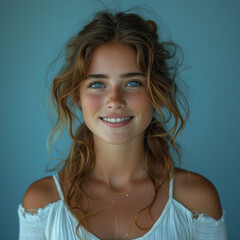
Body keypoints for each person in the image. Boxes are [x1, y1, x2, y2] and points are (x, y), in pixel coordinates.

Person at [18, 11, 227, 240]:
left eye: (133, 83)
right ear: (77, 96)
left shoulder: (196, 202)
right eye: (98, 84)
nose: (115, 100)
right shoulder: (42, 204)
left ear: (157, 93)